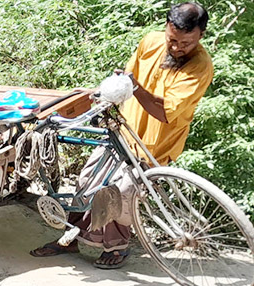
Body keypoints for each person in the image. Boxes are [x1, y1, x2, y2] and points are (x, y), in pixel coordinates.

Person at [31, 2, 214, 269]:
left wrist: (134, 87)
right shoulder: (151, 42)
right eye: (172, 39)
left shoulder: (200, 66)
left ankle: (117, 248)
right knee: (87, 179)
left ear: (201, 36)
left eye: (186, 43)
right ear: (166, 28)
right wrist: (112, 93)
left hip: (155, 142)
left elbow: (165, 113)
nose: (176, 47)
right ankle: (71, 237)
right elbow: (128, 79)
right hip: (122, 130)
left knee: (122, 191)